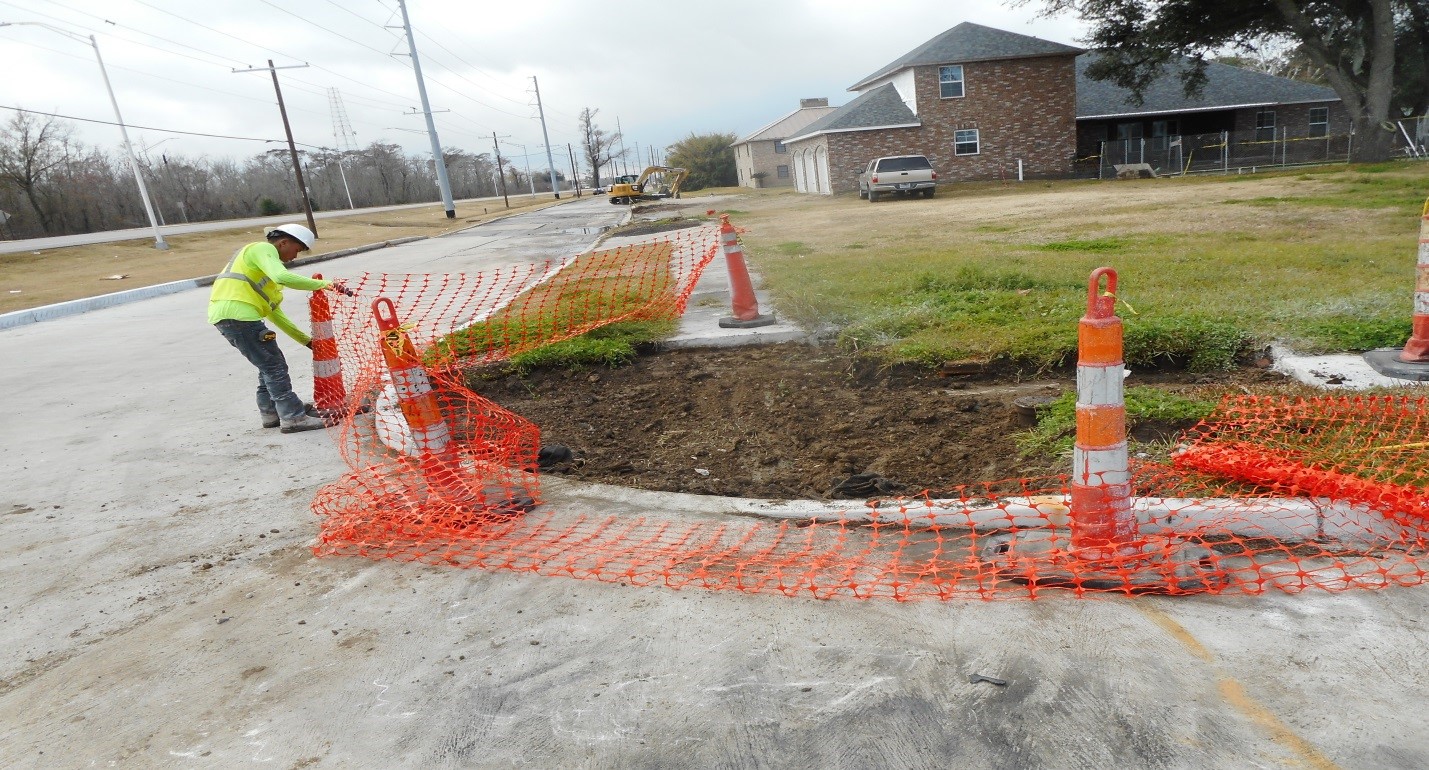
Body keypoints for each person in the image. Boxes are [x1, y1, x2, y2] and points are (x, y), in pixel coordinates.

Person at [208, 223, 354, 433]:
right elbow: (282, 276)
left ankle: (272, 412)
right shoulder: (262, 249)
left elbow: (276, 315)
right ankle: (292, 417)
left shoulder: (264, 275)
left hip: (232, 318)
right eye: (296, 249)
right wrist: (325, 284)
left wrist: (307, 341)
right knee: (274, 367)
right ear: (283, 242)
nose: (295, 256)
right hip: (238, 317)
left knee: (267, 365)